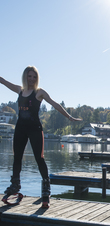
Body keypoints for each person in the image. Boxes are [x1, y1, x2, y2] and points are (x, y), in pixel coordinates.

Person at [0, 66, 82, 208]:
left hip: (35, 129)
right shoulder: (20, 90)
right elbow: (3, 81)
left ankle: (45, 187)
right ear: (25, 76)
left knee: (39, 158)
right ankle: (15, 185)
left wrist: (69, 117)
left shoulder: (39, 92)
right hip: (20, 129)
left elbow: (55, 104)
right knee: (17, 157)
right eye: (29, 76)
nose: (31, 79)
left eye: (34, 77)